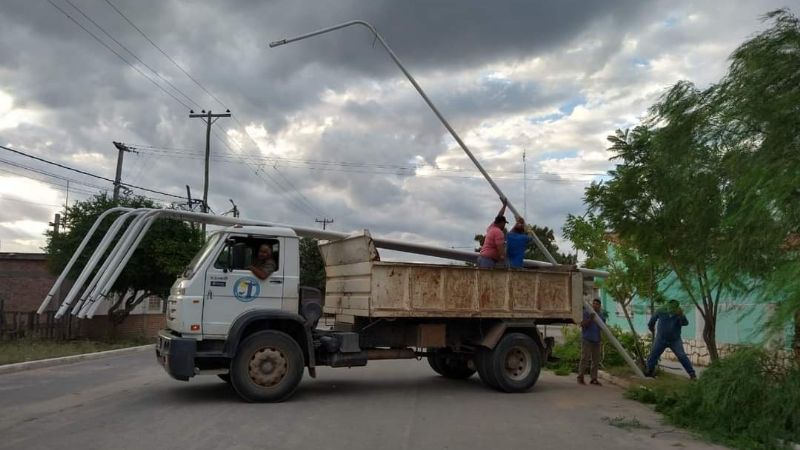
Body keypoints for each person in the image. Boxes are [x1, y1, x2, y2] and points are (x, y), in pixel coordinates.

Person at [645, 300, 697, 379]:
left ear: (676, 308)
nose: (671, 312)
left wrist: (681, 316)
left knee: (682, 355)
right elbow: (652, 320)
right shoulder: (661, 310)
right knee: (653, 354)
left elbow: (685, 323)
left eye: (673, 310)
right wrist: (651, 327)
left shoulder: (679, 312)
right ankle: (649, 372)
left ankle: (692, 374)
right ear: (667, 307)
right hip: (661, 339)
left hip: (675, 340)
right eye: (669, 309)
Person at [578, 298, 607, 386]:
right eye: (594, 304)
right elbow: (582, 324)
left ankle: (594, 379)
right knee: (585, 359)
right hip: (587, 339)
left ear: (599, 306)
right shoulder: (587, 313)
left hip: (596, 340)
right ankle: (580, 377)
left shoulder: (601, 316)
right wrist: (590, 319)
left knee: (596, 360)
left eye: (597, 304)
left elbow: (602, 327)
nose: (595, 305)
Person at [477, 198, 508, 268]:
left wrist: (504, 206)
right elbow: (500, 247)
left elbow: (499, 215)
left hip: (481, 258)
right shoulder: (498, 232)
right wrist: (504, 258)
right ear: (502, 223)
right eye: (504, 223)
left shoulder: (491, 227)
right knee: (486, 278)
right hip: (488, 260)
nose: (504, 225)